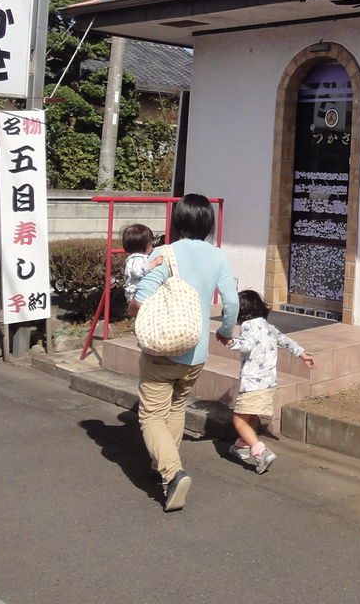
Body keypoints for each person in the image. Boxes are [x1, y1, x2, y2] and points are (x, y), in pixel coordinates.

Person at [130, 194, 238, 512]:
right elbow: (231, 303)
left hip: (163, 349)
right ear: (208, 223)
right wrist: (225, 331)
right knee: (176, 407)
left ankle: (172, 472)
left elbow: (140, 298)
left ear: (178, 222)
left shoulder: (166, 253)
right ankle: (164, 470)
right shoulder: (218, 257)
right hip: (196, 352)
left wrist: (136, 310)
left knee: (150, 415)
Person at [217, 289, 316, 473]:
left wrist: (229, 342)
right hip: (268, 382)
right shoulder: (267, 326)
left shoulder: (247, 326)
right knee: (250, 414)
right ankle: (243, 445)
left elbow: (247, 345)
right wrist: (302, 354)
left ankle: (261, 452)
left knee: (239, 419)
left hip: (253, 383)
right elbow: (284, 340)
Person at [119, 223, 157, 308]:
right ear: (146, 245)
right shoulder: (137, 259)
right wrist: (152, 264)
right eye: (151, 244)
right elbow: (137, 271)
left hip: (139, 292)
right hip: (137, 293)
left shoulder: (136, 257)